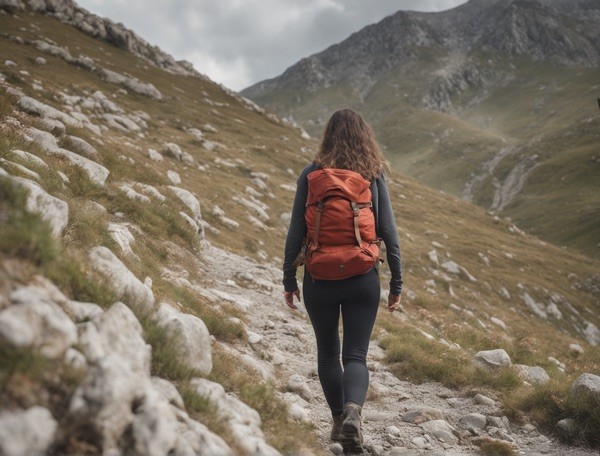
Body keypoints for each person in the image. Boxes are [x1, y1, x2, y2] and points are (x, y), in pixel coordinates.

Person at [282, 108, 403, 454]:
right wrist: (396, 283)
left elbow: (295, 232)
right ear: (364, 137)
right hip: (363, 276)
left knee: (327, 355)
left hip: (319, 277)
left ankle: (339, 423)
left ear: (328, 136)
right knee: (355, 355)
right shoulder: (372, 173)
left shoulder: (311, 174)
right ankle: (354, 413)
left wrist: (289, 278)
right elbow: (389, 234)